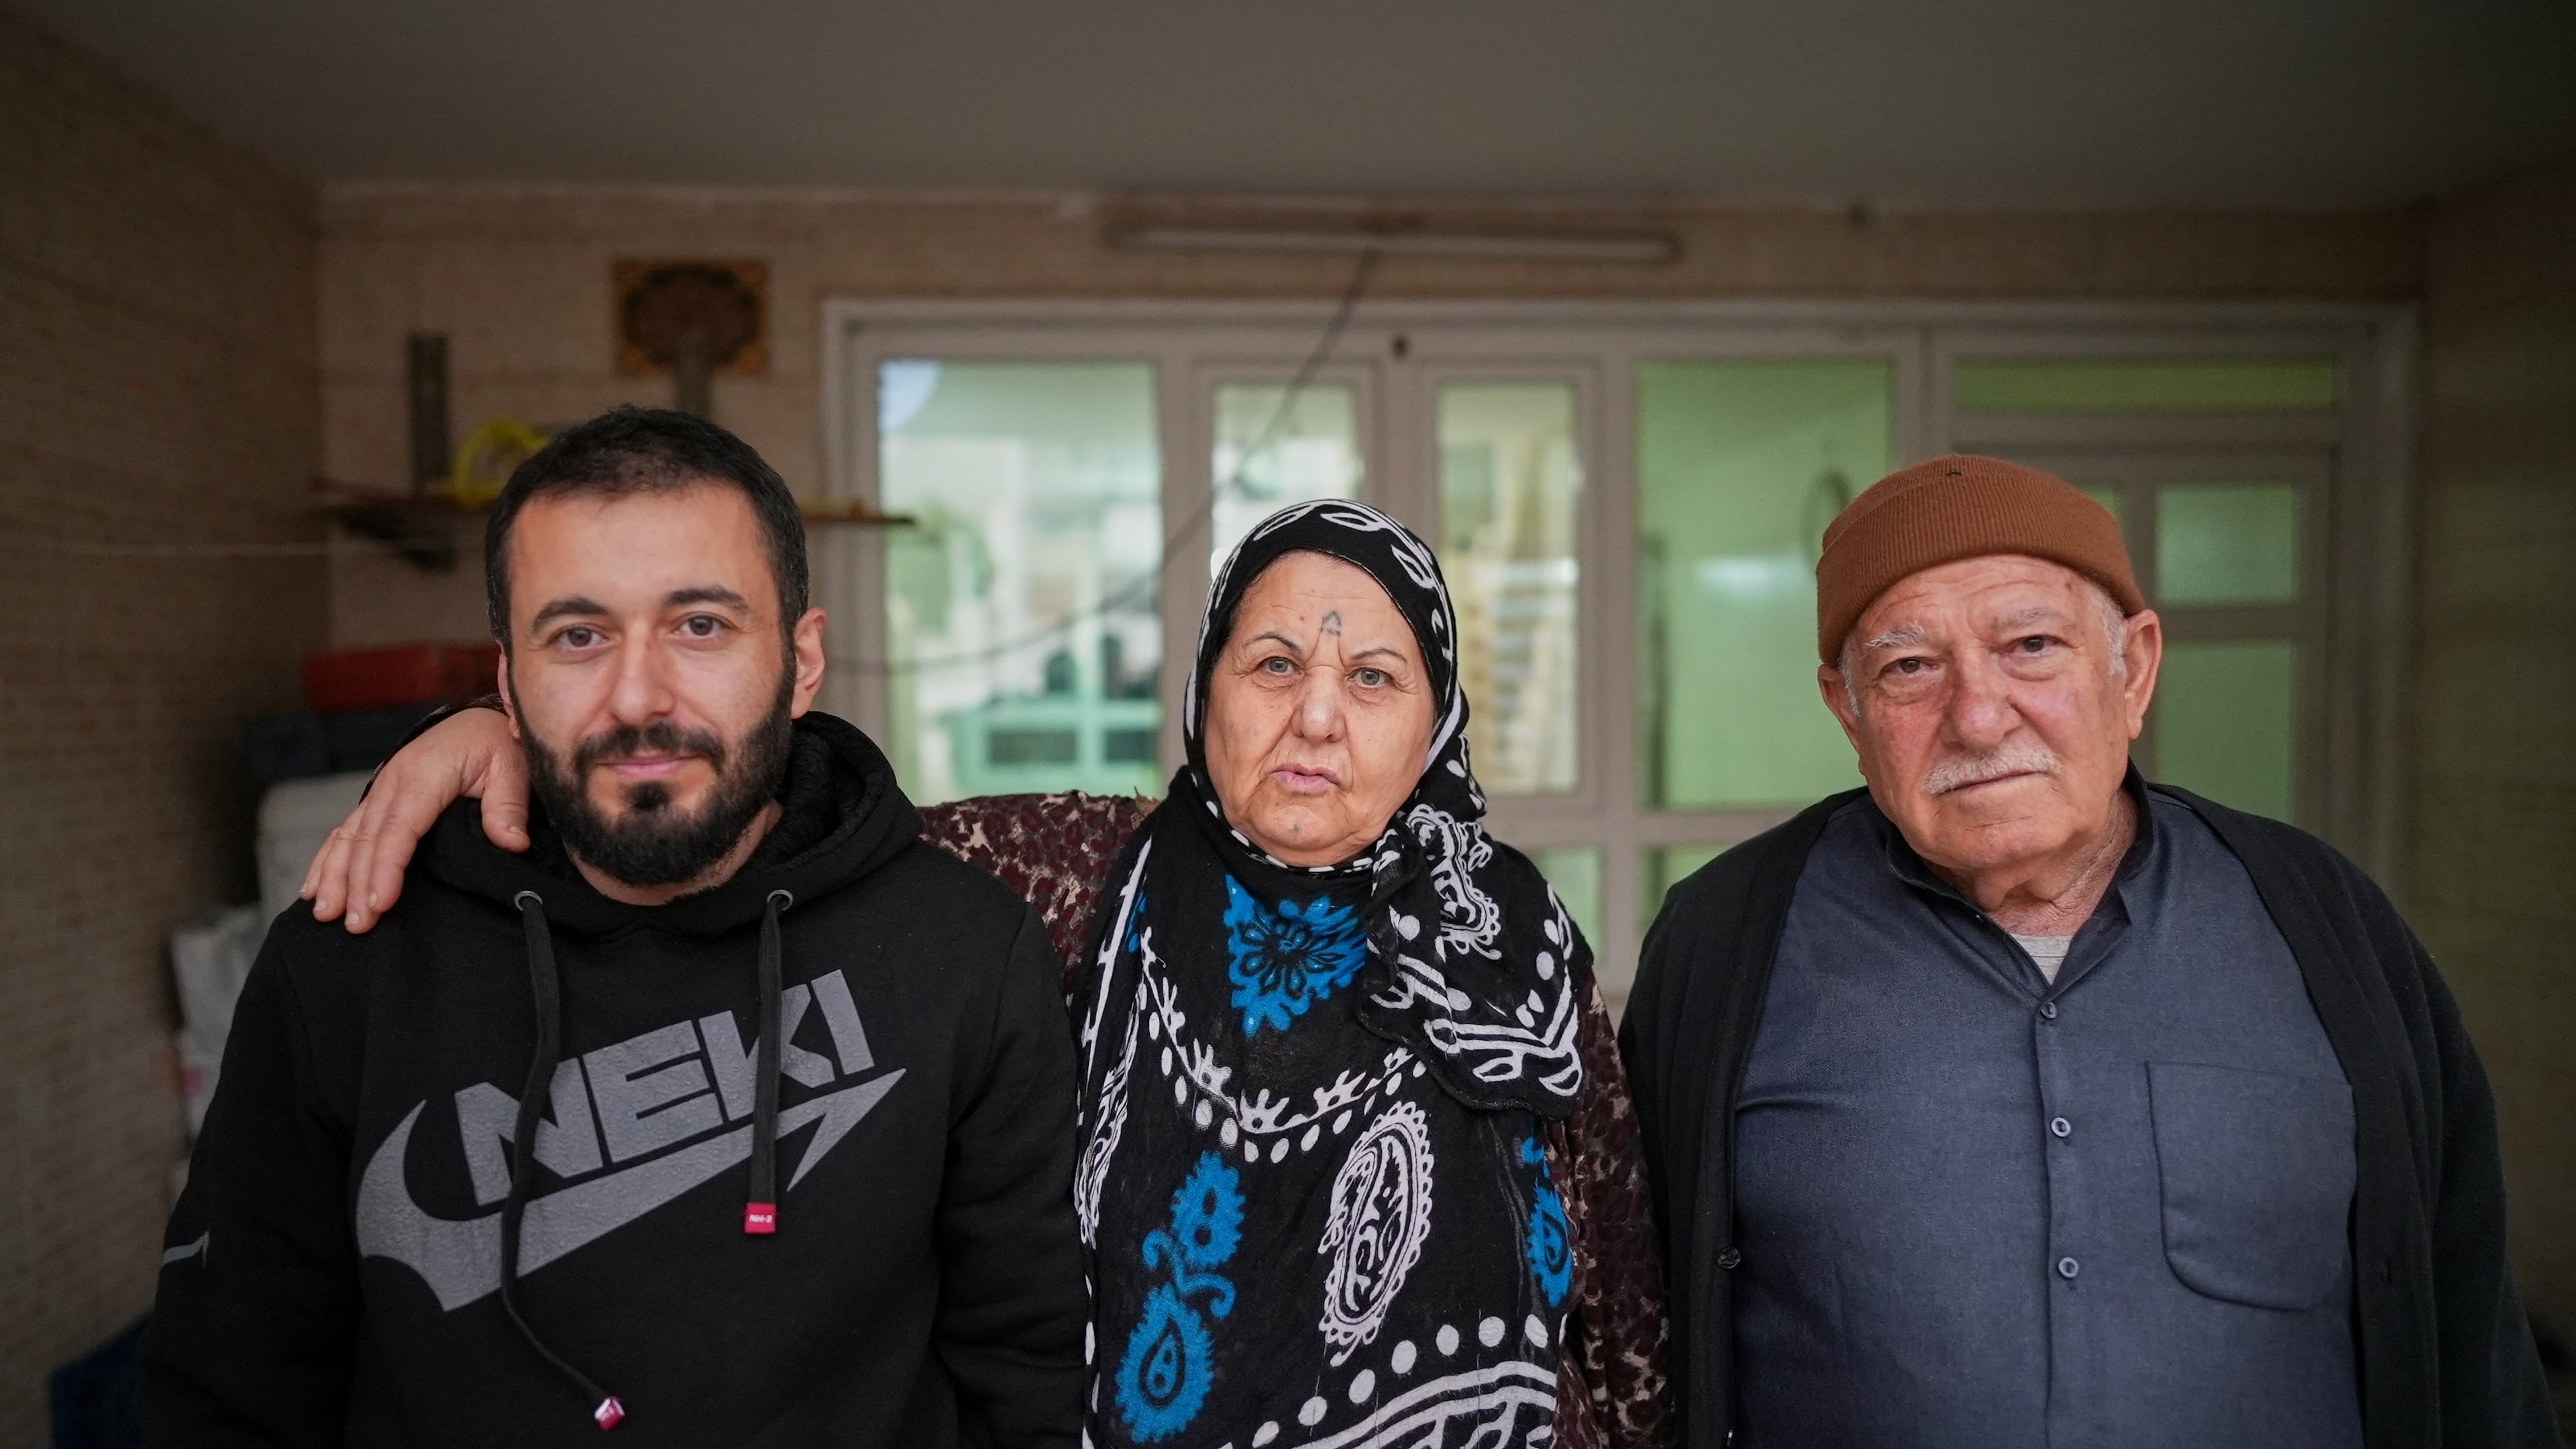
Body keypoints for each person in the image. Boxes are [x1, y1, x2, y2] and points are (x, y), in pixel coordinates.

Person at [299, 500, 1673, 1449]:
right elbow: (768, 807)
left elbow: (1616, 1277)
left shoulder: (1518, 940)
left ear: (1437, 722)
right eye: (1272, 663)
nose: (1316, 714)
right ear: (1204, 688)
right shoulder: (1077, 871)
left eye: (1374, 678)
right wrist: (504, 733)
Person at [145, 408, 1087, 1446]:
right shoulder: (350, 956)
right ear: (508, 686)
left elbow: (1031, 1373)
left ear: (803, 658)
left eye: (701, 626)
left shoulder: (964, 953)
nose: (638, 698)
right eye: (579, 636)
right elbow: (229, 1386)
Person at [1619, 454, 2560, 1449]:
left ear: (2134, 669)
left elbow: (2467, 1327)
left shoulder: (2325, 923)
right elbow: (1631, 1318)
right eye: (1910, 668)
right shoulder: (1728, 941)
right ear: (1848, 710)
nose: (1979, 716)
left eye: (2031, 646)